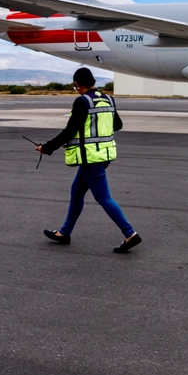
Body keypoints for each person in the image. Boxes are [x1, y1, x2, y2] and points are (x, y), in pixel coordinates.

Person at [36, 67, 141, 253]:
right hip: (104, 154)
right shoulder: (108, 98)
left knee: (104, 197)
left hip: (90, 157)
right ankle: (64, 233)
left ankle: (130, 233)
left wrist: (47, 147)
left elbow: (69, 131)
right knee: (76, 192)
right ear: (93, 81)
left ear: (77, 84)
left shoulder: (82, 101)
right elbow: (118, 125)